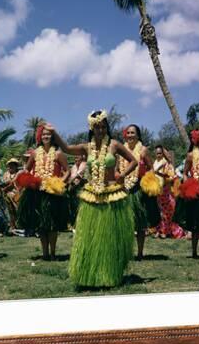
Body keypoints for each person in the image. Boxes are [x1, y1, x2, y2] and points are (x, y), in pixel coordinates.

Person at [46, 110, 137, 288]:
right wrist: (54, 132)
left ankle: (112, 272)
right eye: (97, 128)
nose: (101, 131)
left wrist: (122, 175)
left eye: (103, 127)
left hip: (111, 193)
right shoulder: (86, 148)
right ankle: (94, 273)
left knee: (110, 237)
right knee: (93, 237)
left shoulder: (114, 145)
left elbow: (134, 161)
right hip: (92, 195)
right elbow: (66, 149)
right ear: (91, 129)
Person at [16, 125, 69, 260]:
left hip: (53, 194)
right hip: (37, 193)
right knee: (41, 224)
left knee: (52, 225)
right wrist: (25, 178)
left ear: (53, 137)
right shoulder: (34, 153)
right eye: (44, 134)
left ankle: (52, 253)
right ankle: (44, 253)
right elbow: (27, 169)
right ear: (40, 136)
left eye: (49, 134)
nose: (46, 137)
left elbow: (67, 171)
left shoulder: (58, 153)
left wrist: (59, 182)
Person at [119, 124, 157, 260]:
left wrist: (147, 179)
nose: (130, 135)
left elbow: (151, 168)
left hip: (138, 189)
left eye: (133, 133)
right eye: (128, 133)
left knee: (140, 223)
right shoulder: (121, 150)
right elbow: (117, 169)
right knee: (125, 223)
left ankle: (140, 252)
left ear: (138, 135)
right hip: (123, 189)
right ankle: (126, 252)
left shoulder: (143, 150)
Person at [182, 128, 199, 257]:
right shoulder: (191, 155)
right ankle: (194, 251)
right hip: (196, 192)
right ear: (197, 138)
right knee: (196, 223)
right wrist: (188, 186)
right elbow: (185, 173)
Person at [152, 145, 186, 239]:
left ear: (163, 154)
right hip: (159, 191)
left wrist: (158, 172)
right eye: (157, 153)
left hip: (167, 192)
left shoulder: (167, 164)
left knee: (167, 213)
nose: (158, 155)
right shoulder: (155, 162)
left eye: (160, 153)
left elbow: (170, 178)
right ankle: (162, 230)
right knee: (161, 212)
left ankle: (165, 231)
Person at [2, 158, 22, 233]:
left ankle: (20, 226)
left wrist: (7, 188)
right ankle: (12, 227)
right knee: (10, 212)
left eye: (13, 165)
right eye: (10, 165)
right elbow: (3, 183)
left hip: (17, 195)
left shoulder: (19, 173)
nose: (11, 167)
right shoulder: (6, 174)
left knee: (18, 210)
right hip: (7, 195)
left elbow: (14, 184)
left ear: (16, 166)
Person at [67, 154, 87, 228]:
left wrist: (69, 183)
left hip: (80, 188)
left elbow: (78, 176)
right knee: (73, 207)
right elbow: (71, 175)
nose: (75, 159)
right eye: (75, 158)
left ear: (82, 157)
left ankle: (80, 224)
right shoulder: (73, 166)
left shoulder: (84, 164)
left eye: (77, 157)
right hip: (73, 189)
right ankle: (73, 224)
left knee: (79, 207)